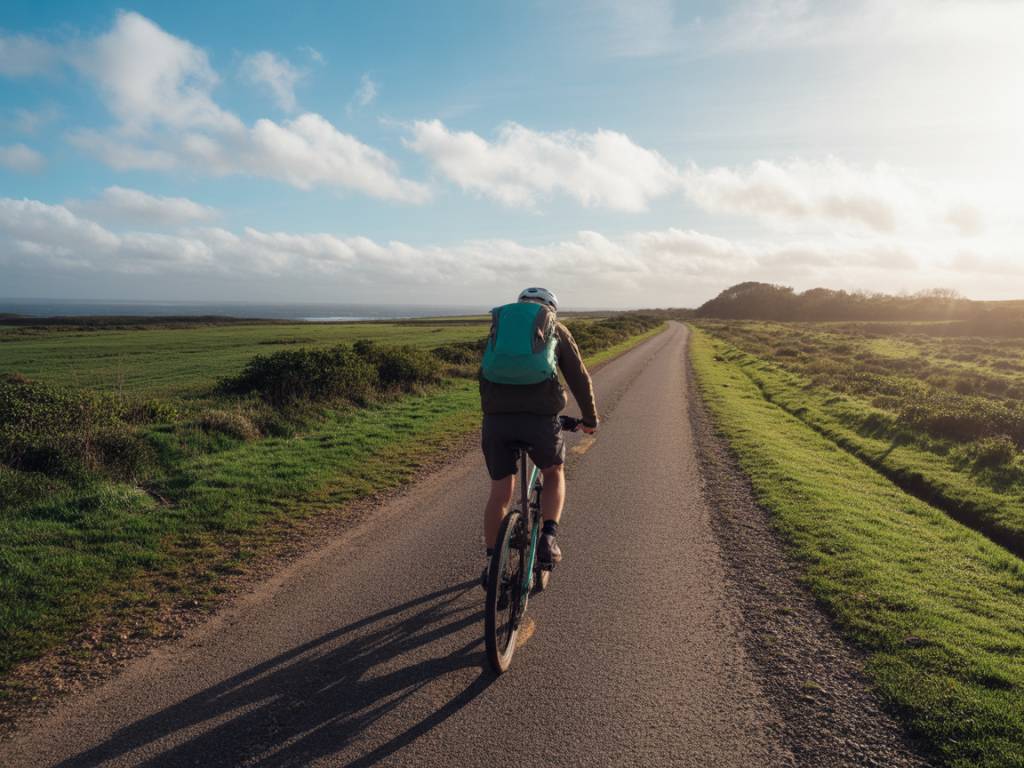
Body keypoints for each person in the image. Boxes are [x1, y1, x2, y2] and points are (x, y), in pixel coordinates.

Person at [479, 287, 598, 584]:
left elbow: (485, 373)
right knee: (554, 472)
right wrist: (590, 419)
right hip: (540, 422)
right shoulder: (554, 327)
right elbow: (578, 377)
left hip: (496, 421)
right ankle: (548, 537)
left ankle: (494, 565)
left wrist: (493, 410)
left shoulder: (500, 328)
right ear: (549, 309)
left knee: (500, 491)